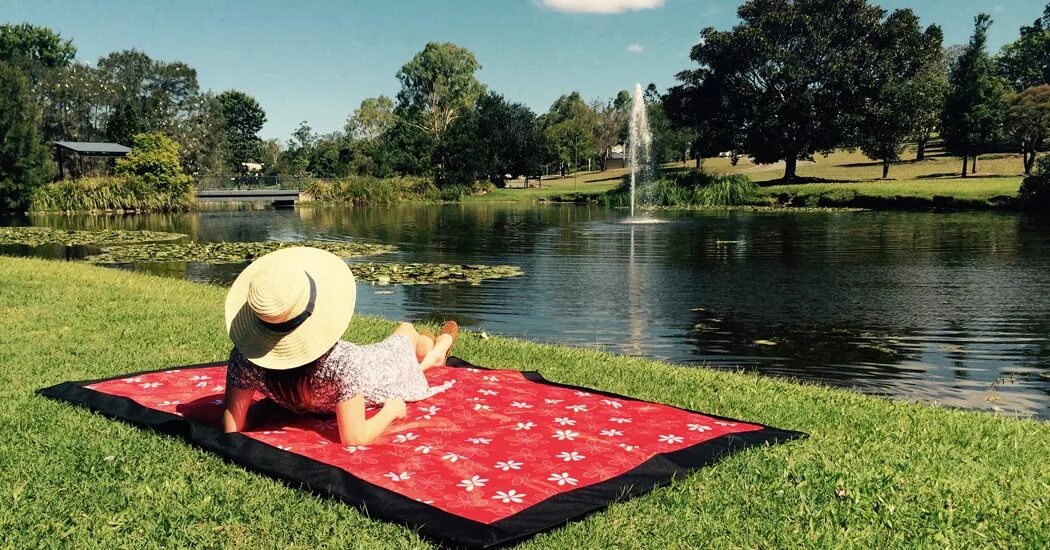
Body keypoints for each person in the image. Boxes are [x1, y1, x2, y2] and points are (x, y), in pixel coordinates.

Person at [221, 246, 457, 445]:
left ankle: (431, 349)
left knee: (406, 337)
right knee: (406, 330)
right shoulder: (341, 362)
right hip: (378, 374)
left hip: (357, 372)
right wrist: (392, 410)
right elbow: (354, 438)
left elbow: (232, 427)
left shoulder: (245, 358)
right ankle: (436, 351)